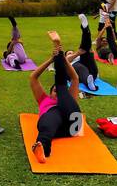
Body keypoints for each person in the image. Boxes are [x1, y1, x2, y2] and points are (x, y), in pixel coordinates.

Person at [30, 30, 83, 162]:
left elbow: (75, 78)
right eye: (55, 91)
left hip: (73, 124)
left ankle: (58, 48)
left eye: (58, 91)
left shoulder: (67, 97)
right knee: (50, 120)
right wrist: (52, 59)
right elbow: (33, 77)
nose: (57, 94)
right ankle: (42, 148)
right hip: (56, 127)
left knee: (62, 87)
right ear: (49, 94)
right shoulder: (44, 99)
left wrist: (62, 57)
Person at [65, 12, 99, 92]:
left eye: (72, 52)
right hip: (77, 74)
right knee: (79, 65)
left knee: (86, 49)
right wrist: (77, 53)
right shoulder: (68, 62)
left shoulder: (81, 57)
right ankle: (85, 28)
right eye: (69, 53)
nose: (71, 53)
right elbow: (65, 62)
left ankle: (85, 28)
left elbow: (89, 57)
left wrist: (90, 52)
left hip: (92, 72)